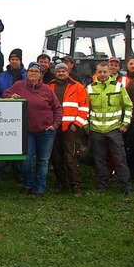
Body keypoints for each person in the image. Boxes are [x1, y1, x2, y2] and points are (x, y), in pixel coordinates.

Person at [4, 62, 62, 197]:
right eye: (31, 71)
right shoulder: (19, 85)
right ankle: (28, 184)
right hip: (28, 131)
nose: (33, 73)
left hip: (46, 131)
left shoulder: (47, 89)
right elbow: (5, 92)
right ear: (27, 72)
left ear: (41, 74)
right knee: (26, 160)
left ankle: (40, 188)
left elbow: (57, 108)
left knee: (43, 161)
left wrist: (55, 125)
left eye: (36, 71)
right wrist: (11, 96)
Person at [86, 61, 133, 194]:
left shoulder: (118, 87)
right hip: (96, 130)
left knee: (120, 158)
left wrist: (125, 124)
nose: (102, 74)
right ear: (96, 73)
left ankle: (126, 186)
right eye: (99, 72)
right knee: (99, 159)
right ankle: (102, 185)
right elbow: (85, 108)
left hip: (114, 129)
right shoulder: (90, 88)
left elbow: (128, 106)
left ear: (109, 72)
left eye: (104, 72)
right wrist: (86, 125)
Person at [49, 62, 88, 197]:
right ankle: (61, 184)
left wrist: (76, 124)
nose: (61, 74)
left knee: (70, 157)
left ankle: (76, 186)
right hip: (54, 128)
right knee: (56, 157)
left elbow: (84, 108)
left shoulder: (78, 87)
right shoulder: (50, 86)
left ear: (68, 72)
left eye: (63, 71)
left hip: (70, 129)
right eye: (58, 71)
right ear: (55, 72)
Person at [0, 48, 26, 181]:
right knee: (1, 142)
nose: (14, 61)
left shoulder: (27, 75)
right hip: (4, 115)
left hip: (22, 115)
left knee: (19, 144)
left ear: (20, 61)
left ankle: (18, 172)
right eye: (12, 59)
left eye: (16, 59)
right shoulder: (2, 76)